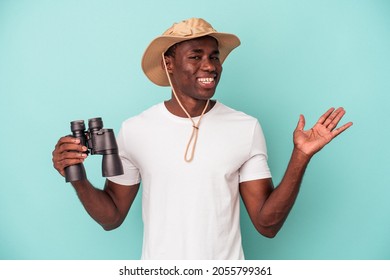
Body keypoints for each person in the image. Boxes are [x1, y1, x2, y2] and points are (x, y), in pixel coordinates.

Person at [52, 18, 353, 260]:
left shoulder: (245, 127)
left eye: (213, 57)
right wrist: (76, 178)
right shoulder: (135, 130)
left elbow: (266, 224)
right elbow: (112, 216)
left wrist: (300, 156)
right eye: (195, 56)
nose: (210, 66)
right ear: (169, 64)